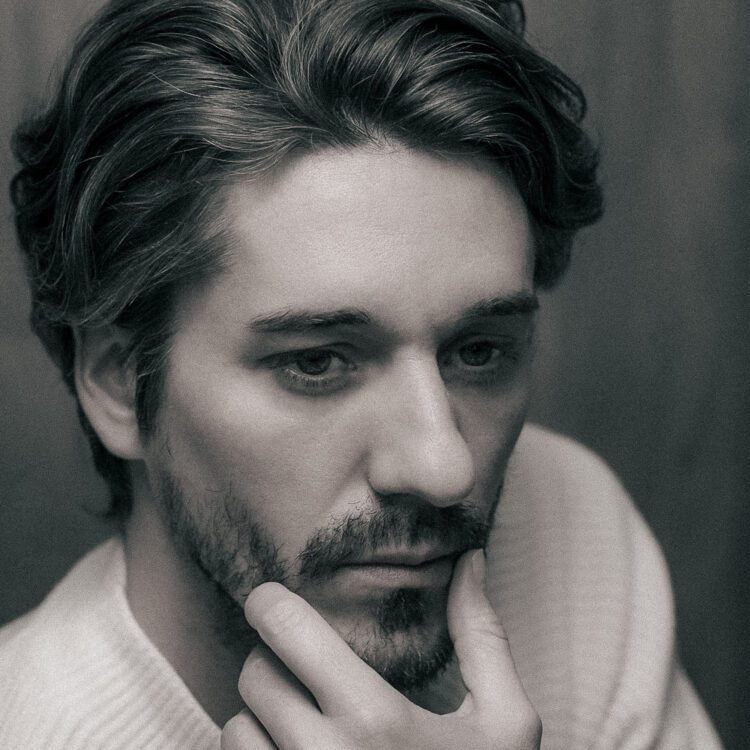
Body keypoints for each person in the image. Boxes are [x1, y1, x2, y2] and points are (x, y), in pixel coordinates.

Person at [0, 0, 722, 747]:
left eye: (478, 350)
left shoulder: (572, 531)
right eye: (317, 363)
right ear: (120, 380)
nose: (443, 468)